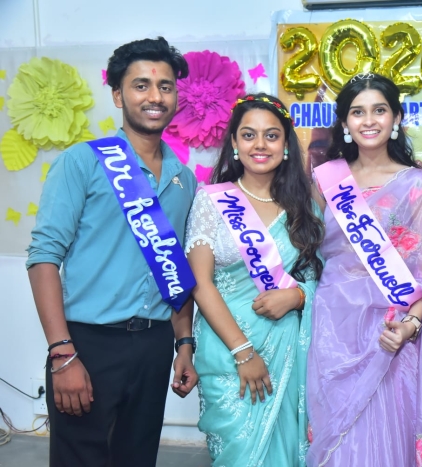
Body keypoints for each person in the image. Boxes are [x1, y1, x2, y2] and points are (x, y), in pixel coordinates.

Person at [26, 37, 198, 467]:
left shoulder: (184, 179)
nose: (155, 96)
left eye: (165, 86)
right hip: (88, 343)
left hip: (154, 345)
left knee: (137, 458)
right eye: (141, 85)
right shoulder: (82, 162)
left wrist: (184, 343)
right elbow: (43, 257)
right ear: (118, 95)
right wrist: (62, 353)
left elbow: (177, 269)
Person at [306, 73, 422, 467]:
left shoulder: (417, 184)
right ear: (345, 122)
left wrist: (410, 325)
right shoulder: (325, 182)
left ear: (396, 118)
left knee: (387, 442)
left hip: (392, 331)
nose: (369, 120)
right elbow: (309, 257)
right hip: (335, 330)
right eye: (357, 112)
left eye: (379, 110)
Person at [185, 93, 323, 466]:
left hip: (287, 352)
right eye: (249, 135)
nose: (260, 145)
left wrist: (297, 297)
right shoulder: (211, 201)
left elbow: (320, 279)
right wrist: (243, 353)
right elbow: (200, 284)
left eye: (271, 135)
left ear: (286, 145)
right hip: (227, 353)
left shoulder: (304, 208)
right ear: (234, 142)